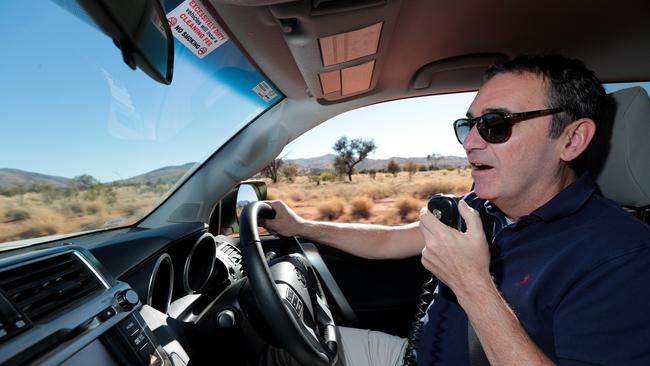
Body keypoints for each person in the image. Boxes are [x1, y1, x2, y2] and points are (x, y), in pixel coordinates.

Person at [260, 55, 650, 366]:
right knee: (279, 346)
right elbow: (391, 241)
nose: (471, 143)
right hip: (411, 357)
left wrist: (471, 283)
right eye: (469, 125)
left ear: (571, 140)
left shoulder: (622, 256)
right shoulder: (481, 207)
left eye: (496, 124)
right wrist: (300, 225)